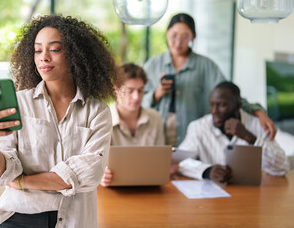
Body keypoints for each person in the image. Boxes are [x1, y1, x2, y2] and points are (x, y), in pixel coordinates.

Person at [0, 14, 117, 228]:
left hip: (74, 219)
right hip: (19, 217)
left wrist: (23, 181)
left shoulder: (97, 112)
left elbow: (90, 172)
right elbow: (4, 172)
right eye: (37, 50)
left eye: (54, 49)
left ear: (75, 55)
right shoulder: (20, 104)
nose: (44, 57)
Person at [142, 13, 276, 146]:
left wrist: (257, 111)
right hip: (158, 135)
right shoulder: (153, 65)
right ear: (167, 33)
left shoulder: (206, 66)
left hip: (194, 139)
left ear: (193, 37)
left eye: (185, 37)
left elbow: (228, 95)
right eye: (174, 35)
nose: (178, 42)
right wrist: (156, 94)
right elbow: (136, 102)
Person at [177, 81, 289, 183]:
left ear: (238, 106)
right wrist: (207, 171)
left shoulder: (257, 125)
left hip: (250, 195)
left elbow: (281, 167)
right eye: (212, 104)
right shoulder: (198, 127)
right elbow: (180, 161)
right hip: (212, 198)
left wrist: (250, 138)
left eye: (222, 105)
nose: (214, 111)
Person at [100, 63, 165, 187]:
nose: (136, 97)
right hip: (113, 191)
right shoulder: (102, 120)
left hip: (150, 188)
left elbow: (160, 162)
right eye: (130, 91)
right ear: (116, 90)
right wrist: (101, 175)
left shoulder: (155, 118)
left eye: (140, 90)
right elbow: (94, 167)